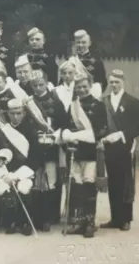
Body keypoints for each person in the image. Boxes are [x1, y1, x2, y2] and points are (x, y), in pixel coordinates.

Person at [59, 76, 107, 238]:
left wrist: (80, 135)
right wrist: (66, 134)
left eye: (84, 87)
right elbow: (65, 126)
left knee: (88, 186)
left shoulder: (99, 105)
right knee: (76, 187)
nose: (81, 90)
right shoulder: (72, 106)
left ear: (90, 86)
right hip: (74, 151)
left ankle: (89, 222)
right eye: (78, 87)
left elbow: (102, 130)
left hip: (90, 153)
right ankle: (77, 222)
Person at [0, 99, 39, 236]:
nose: (15, 116)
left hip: (25, 171)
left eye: (18, 113)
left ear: (24, 113)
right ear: (8, 114)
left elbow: (36, 157)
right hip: (6, 171)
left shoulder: (31, 131)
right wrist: (5, 174)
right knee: (2, 189)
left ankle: (25, 222)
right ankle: (10, 221)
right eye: (12, 113)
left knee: (23, 188)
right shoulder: (2, 131)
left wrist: (18, 175)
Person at [29, 72, 69, 231]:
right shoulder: (29, 102)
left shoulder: (56, 102)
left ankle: (52, 216)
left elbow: (64, 123)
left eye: (41, 84)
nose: (38, 88)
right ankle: (37, 217)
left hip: (52, 146)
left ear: (46, 83)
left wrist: (56, 136)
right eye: (34, 85)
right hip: (34, 146)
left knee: (51, 180)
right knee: (36, 181)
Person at [100, 69, 139, 231]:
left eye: (117, 82)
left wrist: (122, 134)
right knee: (113, 182)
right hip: (109, 146)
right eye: (111, 82)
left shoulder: (132, 101)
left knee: (125, 182)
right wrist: (103, 136)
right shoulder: (104, 101)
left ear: (123, 82)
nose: (114, 85)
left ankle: (126, 219)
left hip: (125, 146)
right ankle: (115, 218)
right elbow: (100, 123)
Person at [72, 30, 106, 95]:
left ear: (89, 43)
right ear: (75, 43)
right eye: (78, 42)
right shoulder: (71, 60)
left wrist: (95, 93)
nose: (81, 45)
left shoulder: (96, 61)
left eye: (83, 42)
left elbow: (103, 82)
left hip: (91, 94)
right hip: (74, 95)